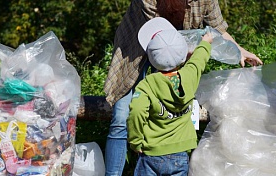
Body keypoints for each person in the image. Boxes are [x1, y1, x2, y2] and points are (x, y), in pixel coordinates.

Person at [103, 0, 263, 175]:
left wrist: (238, 50)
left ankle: (163, 156)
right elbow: (162, 36)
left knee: (173, 108)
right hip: (138, 47)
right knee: (120, 118)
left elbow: (217, 28)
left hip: (174, 50)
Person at [127, 17, 212, 176]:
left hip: (151, 154)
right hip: (180, 154)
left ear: (152, 58)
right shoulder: (189, 76)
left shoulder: (147, 85)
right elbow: (199, 60)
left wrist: (135, 141)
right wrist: (206, 42)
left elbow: (136, 112)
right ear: (183, 56)